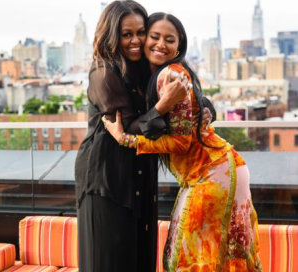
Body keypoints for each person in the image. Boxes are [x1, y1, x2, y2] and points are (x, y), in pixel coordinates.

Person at [103, 12, 263, 272]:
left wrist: (127, 139)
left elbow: (180, 144)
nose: (161, 44)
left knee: (188, 258)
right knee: (209, 256)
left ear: (180, 46)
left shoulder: (170, 75)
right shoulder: (162, 74)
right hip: (219, 168)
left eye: (170, 39)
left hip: (212, 173)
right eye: (154, 37)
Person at [75, 1, 215, 272]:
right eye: (127, 34)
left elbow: (195, 98)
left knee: (140, 259)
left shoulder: (146, 68)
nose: (136, 40)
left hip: (140, 177)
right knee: (110, 260)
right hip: (107, 181)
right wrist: (163, 106)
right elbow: (126, 130)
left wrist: (206, 111)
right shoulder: (103, 73)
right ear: (112, 35)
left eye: (141, 32)